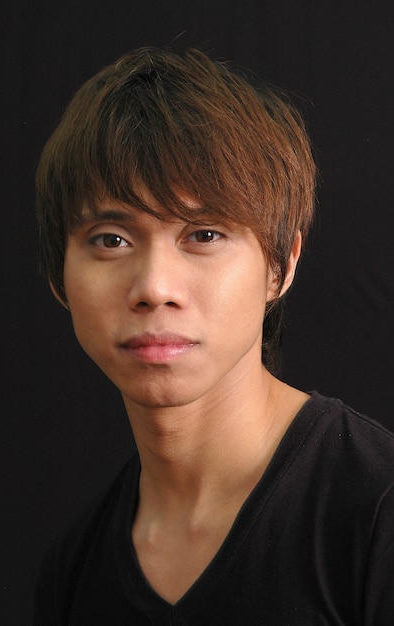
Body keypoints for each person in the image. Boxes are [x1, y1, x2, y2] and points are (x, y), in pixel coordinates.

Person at [33, 47, 394, 625]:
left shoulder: (376, 511)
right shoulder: (72, 571)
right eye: (110, 239)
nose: (154, 287)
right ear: (58, 276)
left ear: (282, 265)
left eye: (203, 233)